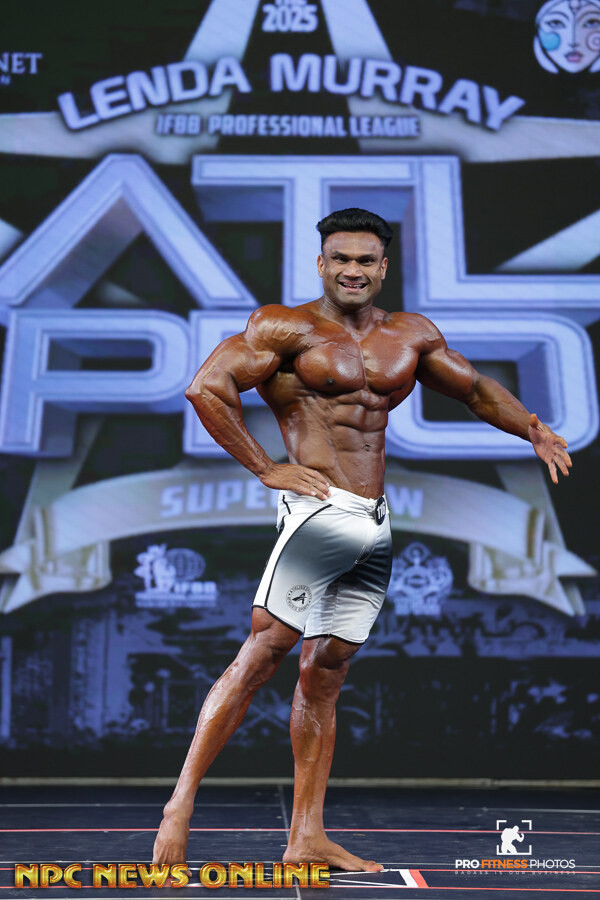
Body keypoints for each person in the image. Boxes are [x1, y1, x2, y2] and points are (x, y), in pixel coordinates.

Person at [152, 208, 571, 873]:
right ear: (321, 264)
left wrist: (532, 429)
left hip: (373, 521)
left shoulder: (410, 334)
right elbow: (207, 388)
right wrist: (265, 467)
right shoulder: (285, 328)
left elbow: (476, 391)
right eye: (341, 259)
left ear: (383, 267)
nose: (353, 270)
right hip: (318, 512)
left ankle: (306, 836)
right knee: (265, 651)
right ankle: (179, 806)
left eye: (365, 260)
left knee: (326, 672)